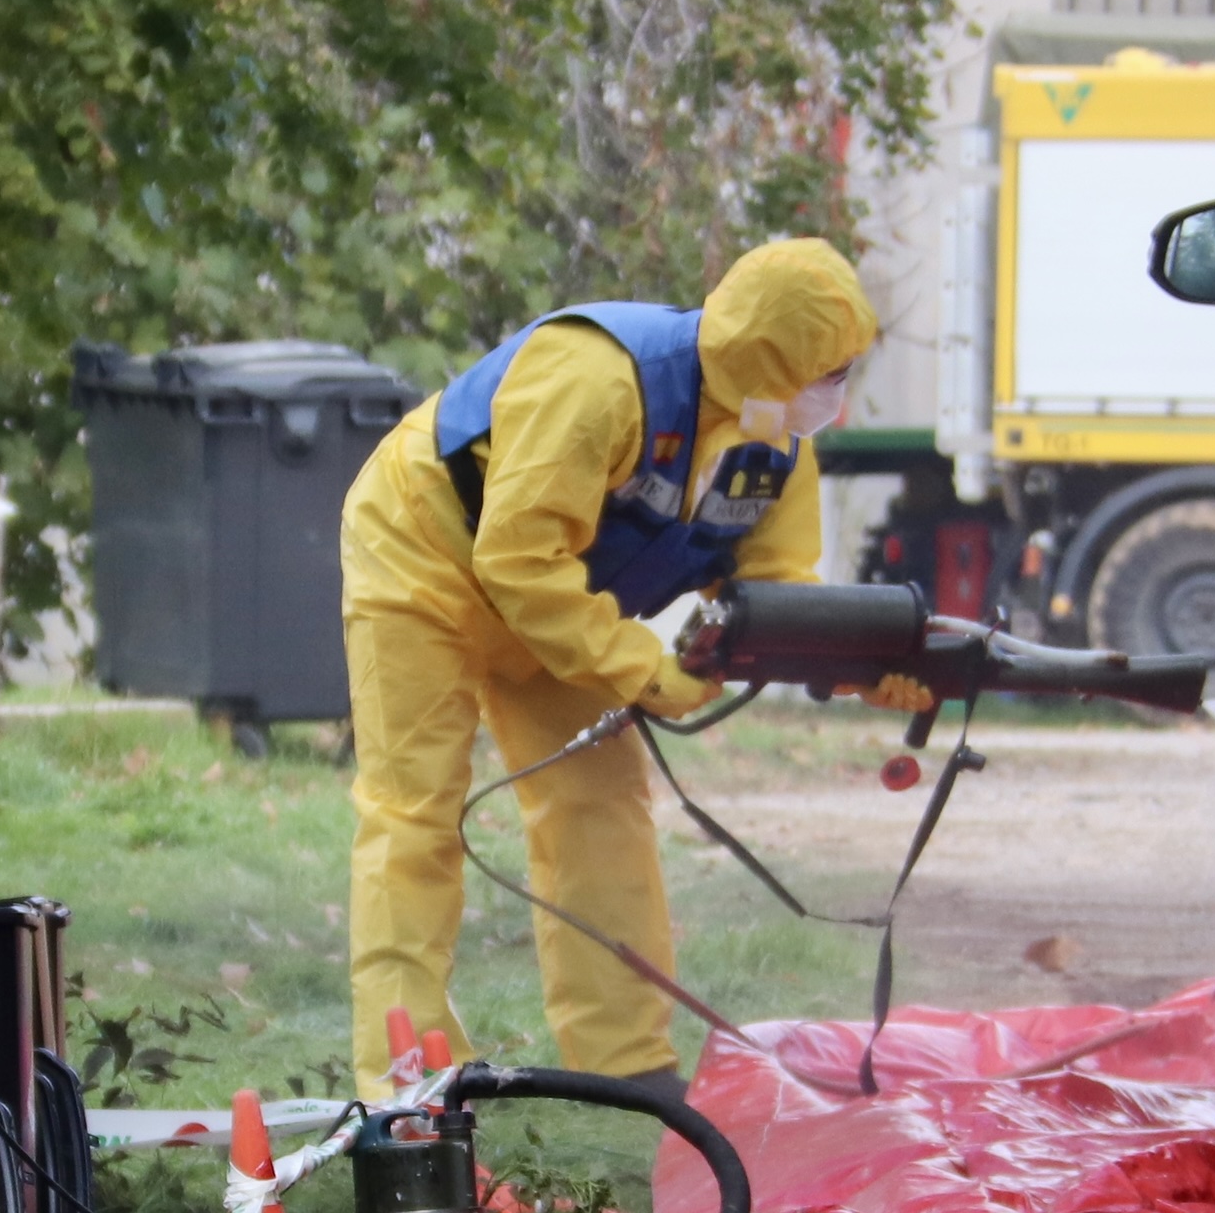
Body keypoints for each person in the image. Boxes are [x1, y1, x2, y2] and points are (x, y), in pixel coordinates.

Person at [340, 237, 911, 1098]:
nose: (837, 389)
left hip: (566, 600)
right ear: (771, 356)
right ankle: (404, 1083)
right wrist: (646, 671)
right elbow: (519, 560)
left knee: (600, 813)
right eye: (828, 368)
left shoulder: (777, 438)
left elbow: (778, 592)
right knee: (415, 814)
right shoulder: (598, 380)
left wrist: (859, 662)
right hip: (428, 551)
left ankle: (629, 1071)